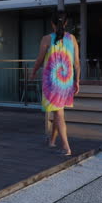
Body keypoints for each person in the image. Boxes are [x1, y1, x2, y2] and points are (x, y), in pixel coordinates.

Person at [30, 11, 80, 156]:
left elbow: (39, 60)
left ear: (52, 23)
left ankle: (66, 147)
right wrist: (77, 80)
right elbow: (76, 63)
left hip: (52, 79)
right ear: (66, 23)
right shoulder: (73, 39)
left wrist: (33, 72)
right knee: (58, 111)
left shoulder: (46, 39)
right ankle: (52, 141)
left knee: (58, 113)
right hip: (67, 78)